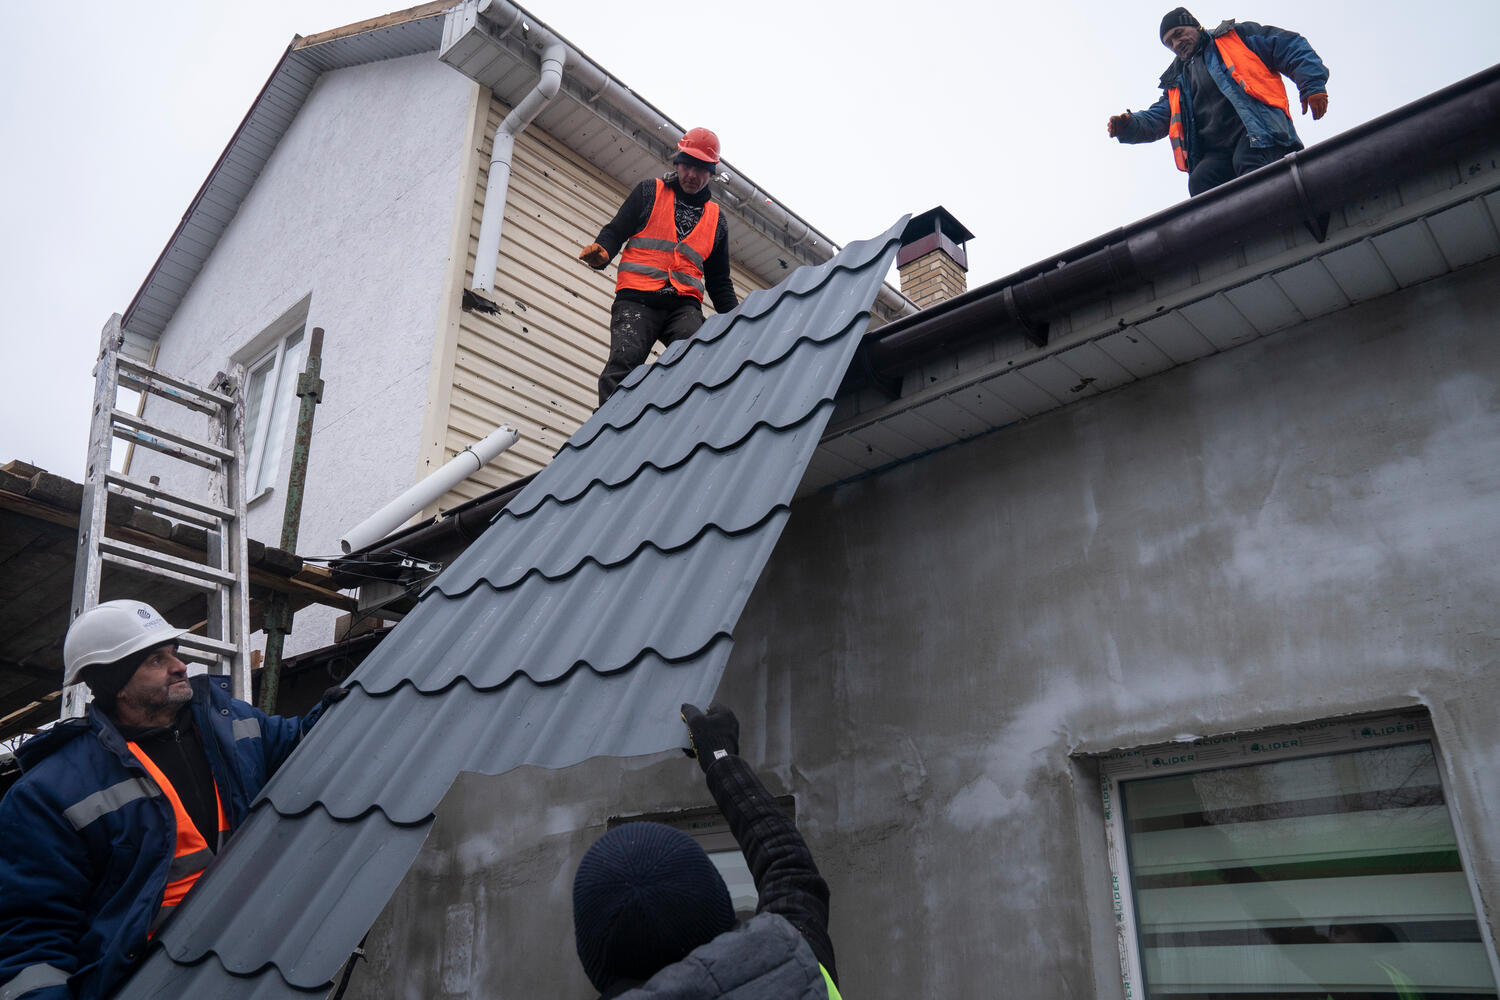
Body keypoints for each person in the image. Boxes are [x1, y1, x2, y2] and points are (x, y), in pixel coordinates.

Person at [0, 600, 344, 1000]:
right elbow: (30, 934)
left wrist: (342, 709)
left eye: (174, 652)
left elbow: (297, 744)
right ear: (117, 685)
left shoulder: (229, 722)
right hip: (148, 983)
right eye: (155, 660)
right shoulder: (49, 793)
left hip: (253, 957)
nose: (179, 666)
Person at [571, 703, 841, 999]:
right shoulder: (797, 971)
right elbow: (790, 868)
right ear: (721, 912)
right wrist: (721, 758)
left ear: (594, 964)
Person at [578, 127, 739, 405]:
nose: (691, 175)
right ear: (677, 163)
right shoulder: (650, 192)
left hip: (682, 307)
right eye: (687, 165)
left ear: (711, 173)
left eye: (700, 169)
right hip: (637, 299)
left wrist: (739, 321)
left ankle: (670, 422)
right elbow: (617, 230)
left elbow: (719, 282)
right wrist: (603, 251)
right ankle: (605, 433)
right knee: (623, 365)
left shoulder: (717, 221)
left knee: (694, 356)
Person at [1106, 7, 1329, 195]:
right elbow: (1159, 116)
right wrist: (1129, 125)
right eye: (1169, 43)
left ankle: (1274, 222)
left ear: (1195, 25)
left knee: (1249, 162)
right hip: (1217, 153)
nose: (1176, 44)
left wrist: (1312, 86)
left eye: (1179, 33)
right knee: (1201, 180)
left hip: (1259, 134)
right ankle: (1229, 242)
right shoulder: (1177, 81)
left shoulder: (1235, 37)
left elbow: (1288, 46)